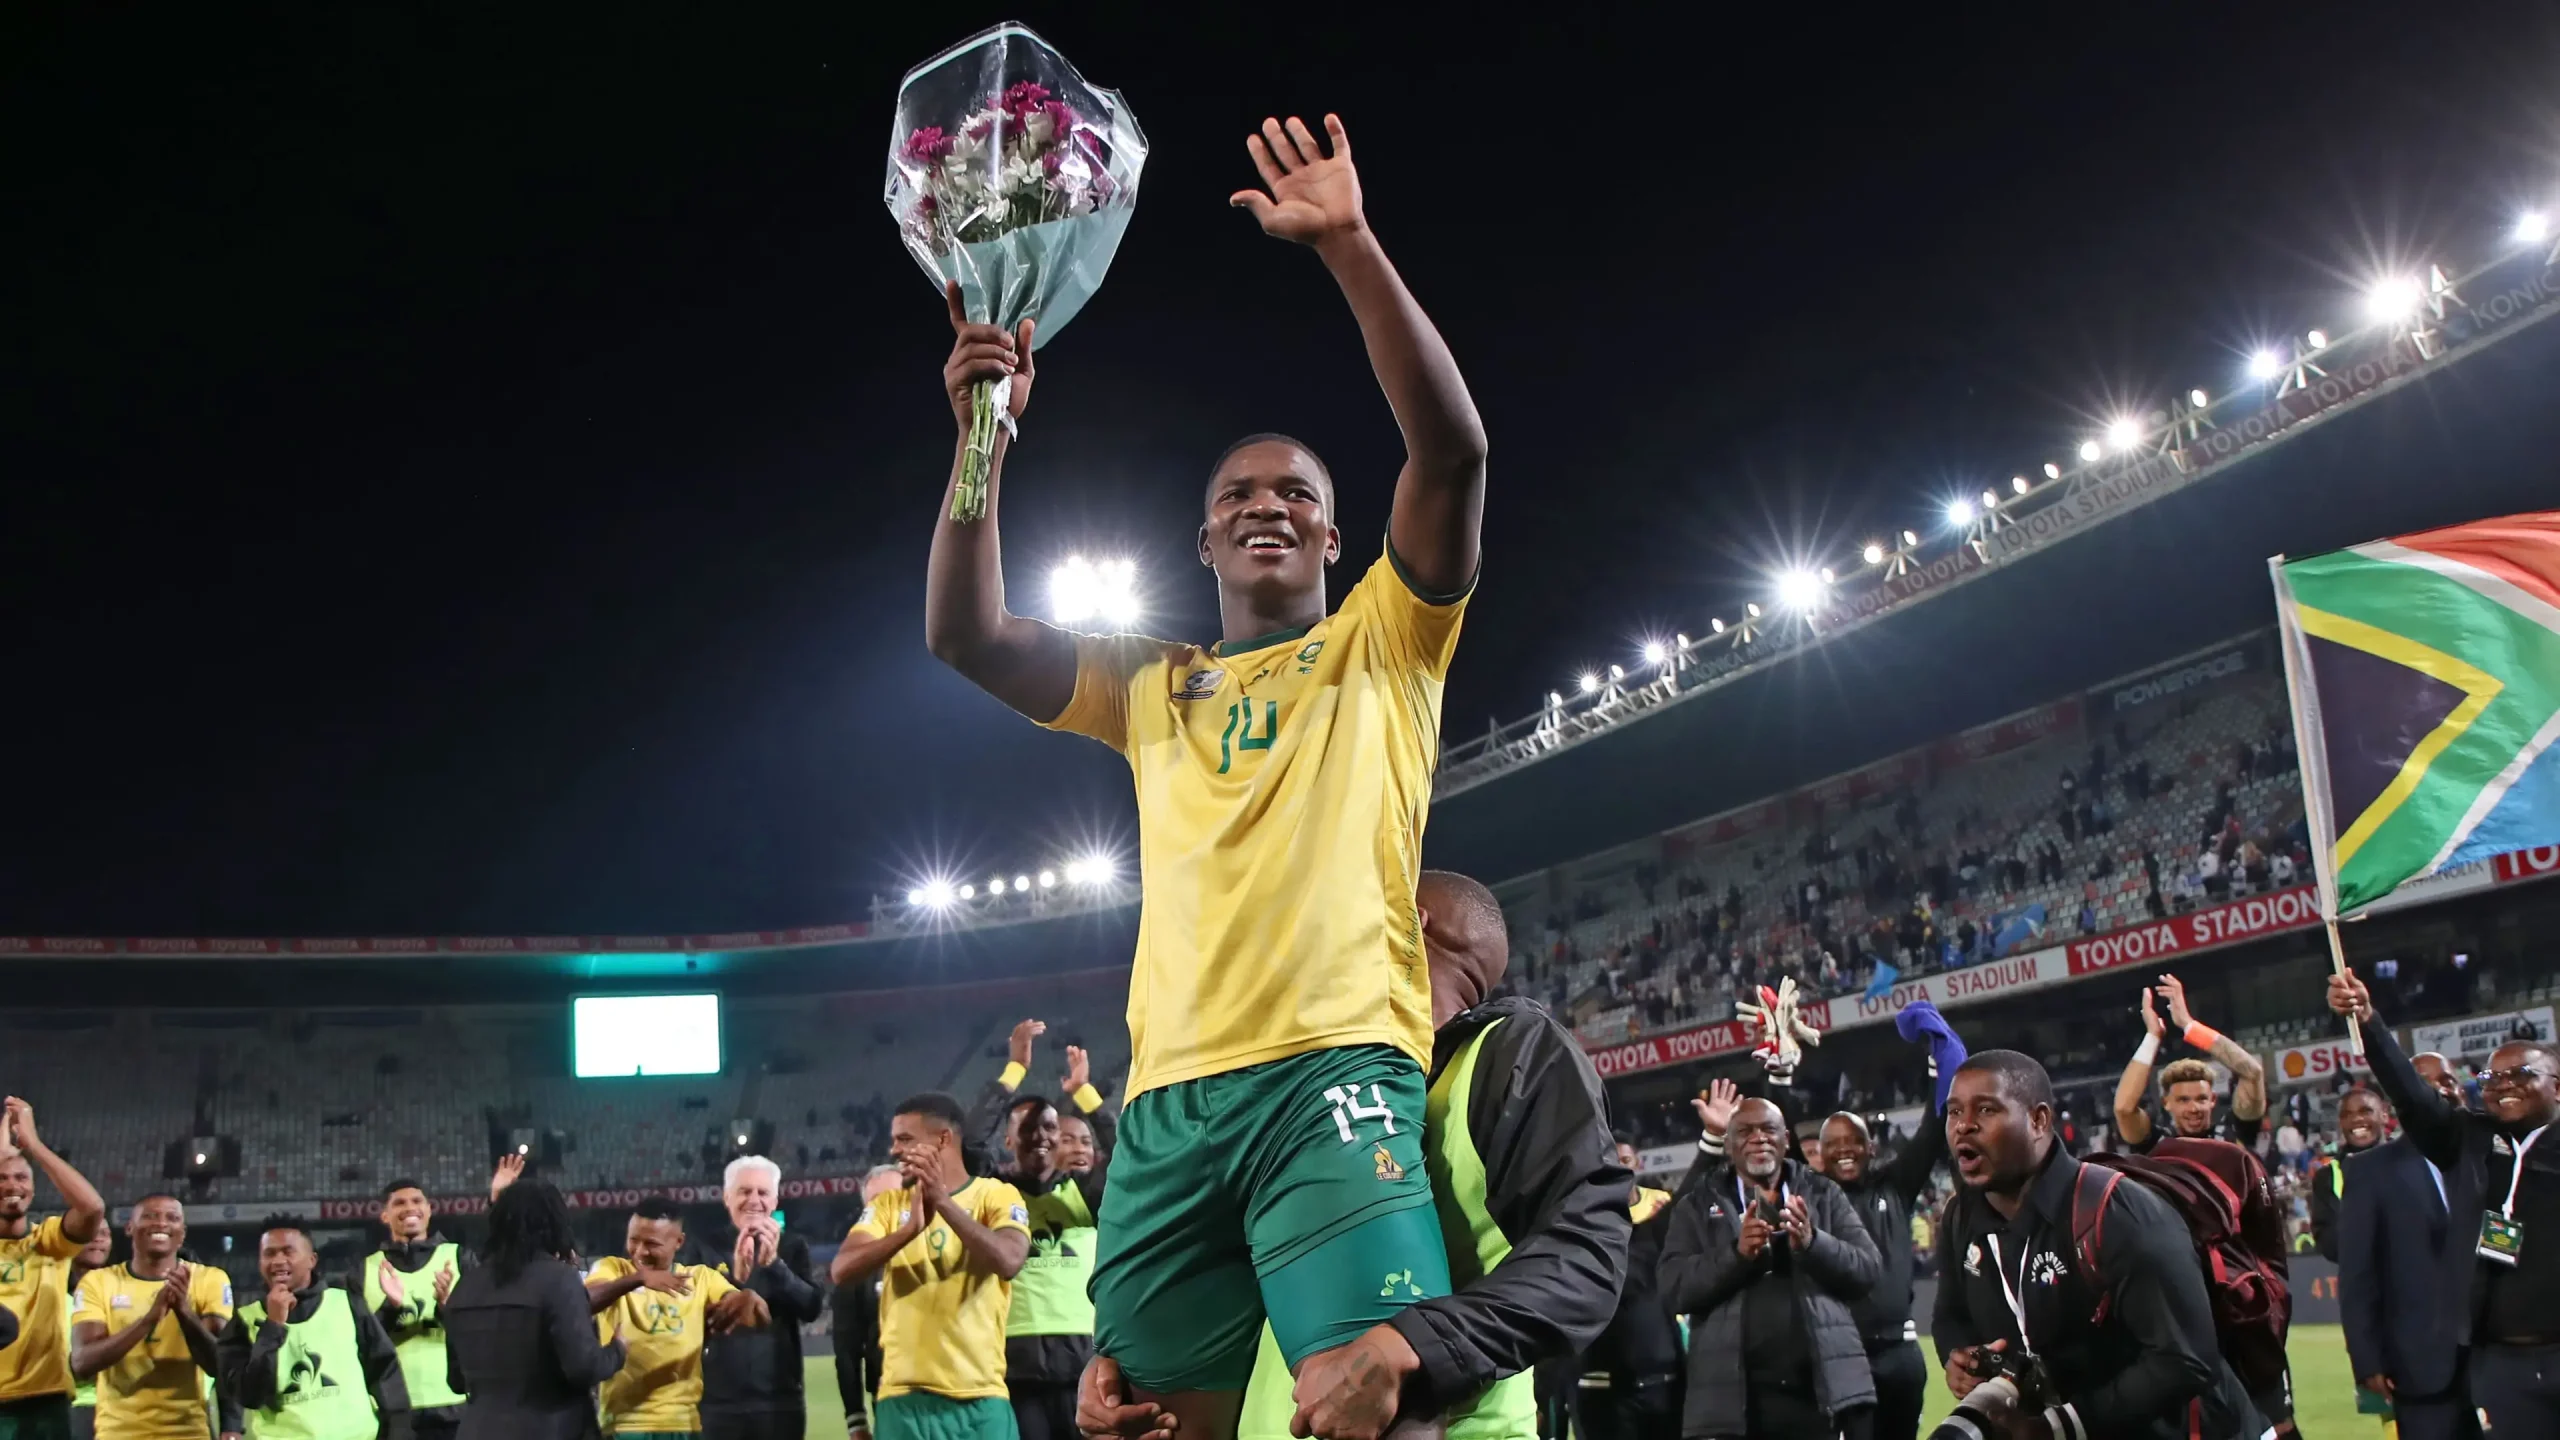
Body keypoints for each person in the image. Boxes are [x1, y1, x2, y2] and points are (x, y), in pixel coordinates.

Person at [922, 107, 1486, 1440]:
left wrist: (1348, 244)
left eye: (1295, 492)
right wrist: (981, 438)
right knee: (1146, 1428)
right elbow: (966, 634)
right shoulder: (1150, 685)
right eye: (1238, 494)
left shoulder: (1386, 646)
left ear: (1340, 537)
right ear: (1205, 543)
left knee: (1368, 1414)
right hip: (1166, 1108)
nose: (1266, 503)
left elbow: (1453, 451)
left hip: (1332, 1074)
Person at [1088, 868, 1631, 1440]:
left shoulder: (1510, 1052)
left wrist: (1407, 1345)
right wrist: (1136, 1368)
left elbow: (1587, 1254)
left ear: (1409, 918)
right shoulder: (1302, 1078)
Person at [1934, 1051, 2263, 1440]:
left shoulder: (2116, 1211)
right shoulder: (1960, 1218)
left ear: (2039, 1120)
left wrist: (2060, 1425)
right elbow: (1950, 1316)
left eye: (1986, 1110)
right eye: (1954, 1112)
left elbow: (2185, 1359)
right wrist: (1959, 1357)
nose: (1964, 1126)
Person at [2331, 968, 2560, 1439]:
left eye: (2520, 1073)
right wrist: (2369, 1021)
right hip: (2502, 1363)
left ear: (2556, 1086)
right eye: (2492, 1076)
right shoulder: (2472, 1139)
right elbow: (2412, 1097)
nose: (2502, 1084)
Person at [1660, 1097, 1880, 1440]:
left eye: (1768, 1129)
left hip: (1820, 1399)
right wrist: (1738, 1255)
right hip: (1733, 1407)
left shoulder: (1823, 1193)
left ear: (1786, 1140)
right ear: (1729, 1145)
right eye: (1745, 1131)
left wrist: (1812, 1243)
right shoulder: (1697, 1205)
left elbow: (1867, 1270)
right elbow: (1673, 1289)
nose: (1759, 1137)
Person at [830, 1094, 1030, 1440]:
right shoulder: (891, 1205)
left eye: (905, 1139)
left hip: (981, 1398)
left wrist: (942, 1203)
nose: (894, 1150)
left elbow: (1009, 1260)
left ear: (943, 1139)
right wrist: (908, 1232)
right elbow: (842, 1269)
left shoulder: (995, 1195)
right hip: (904, 1399)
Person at [968, 1031, 1116, 1440]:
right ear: (1009, 1139)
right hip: (1015, 1360)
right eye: (1028, 1127)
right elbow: (968, 1144)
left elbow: (1127, 1153)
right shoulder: (993, 1190)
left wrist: (1085, 1094)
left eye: (1050, 1127)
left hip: (1082, 1357)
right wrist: (1014, 1070)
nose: (1041, 1135)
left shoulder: (1082, 1192)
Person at [2334, 1069, 2475, 1440]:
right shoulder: (2370, 1170)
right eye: (2425, 1081)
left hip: (2498, 1361)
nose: (2441, 1088)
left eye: (2447, 1079)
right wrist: (2367, 1361)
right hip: (2419, 1367)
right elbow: (2357, 1276)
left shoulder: (2492, 1158)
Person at [439, 1181, 626, 1440]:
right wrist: (618, 1350)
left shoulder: (465, 1285)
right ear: (555, 1224)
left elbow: (456, 1381)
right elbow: (584, 1368)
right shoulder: (559, 1280)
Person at [586, 1197, 771, 1440]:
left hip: (684, 1424)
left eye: (651, 1244)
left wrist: (749, 1298)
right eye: (633, 1240)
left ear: (678, 1242)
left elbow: (760, 1317)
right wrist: (637, 1279)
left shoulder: (701, 1279)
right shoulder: (613, 1270)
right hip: (624, 1425)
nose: (640, 1251)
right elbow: (584, 1301)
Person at [214, 1224, 409, 1440]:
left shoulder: (347, 1304)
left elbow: (385, 1374)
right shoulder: (243, 1322)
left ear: (312, 1260)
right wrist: (273, 1326)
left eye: (288, 1251)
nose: (278, 1260)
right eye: (269, 1253)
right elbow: (250, 1396)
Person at [680, 1157, 826, 1440]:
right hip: (717, 1404)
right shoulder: (704, 1248)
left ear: (775, 1200)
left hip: (779, 1402)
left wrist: (774, 1265)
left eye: (762, 1192)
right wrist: (735, 1280)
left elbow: (811, 1307)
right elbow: (690, 1315)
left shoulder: (793, 1246)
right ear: (726, 1197)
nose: (754, 1200)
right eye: (744, 1191)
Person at [366, 1161, 514, 1440]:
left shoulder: (460, 1258)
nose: (409, 1207)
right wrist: (390, 1308)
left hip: (457, 1405)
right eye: (399, 1203)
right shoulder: (363, 1271)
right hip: (393, 1410)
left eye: (417, 1200)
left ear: (429, 1210)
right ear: (384, 1215)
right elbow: (360, 1347)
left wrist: (449, 1307)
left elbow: (485, 1323)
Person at [69, 1195, 235, 1440]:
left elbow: (219, 1365)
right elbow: (82, 1363)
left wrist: (183, 1310)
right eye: (150, 1216)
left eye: (172, 1218)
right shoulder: (99, 1282)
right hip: (118, 1433)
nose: (161, 1223)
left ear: (183, 1232)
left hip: (187, 1432)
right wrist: (148, 1320)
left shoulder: (210, 1279)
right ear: (129, 1227)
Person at [0, 1097, 107, 1440]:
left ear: (33, 1187)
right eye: (1, 1178)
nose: (12, 1185)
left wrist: (34, 1146)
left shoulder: (47, 1240)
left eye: (20, 1177)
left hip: (43, 1399)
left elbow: (91, 1208)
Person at [1573, 1137, 1681, 1440]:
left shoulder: (1659, 1213)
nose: (1618, 1168)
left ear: (1637, 1164)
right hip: (1601, 1384)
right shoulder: (1582, 1225)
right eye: (1610, 1161)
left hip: (1662, 1378)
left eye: (1625, 1160)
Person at [2111, 975, 2267, 1152]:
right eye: (2183, 1100)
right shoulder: (2157, 1143)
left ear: (2213, 1100)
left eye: (2201, 1099)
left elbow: (2253, 1072)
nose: (2194, 1108)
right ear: (2166, 1102)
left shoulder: (2233, 1135)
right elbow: (2123, 1109)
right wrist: (2152, 1037)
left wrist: (2189, 1025)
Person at [831, 1169, 905, 1440]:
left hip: (953, 1391)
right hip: (889, 1398)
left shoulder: (939, 1246)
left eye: (894, 1197)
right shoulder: (854, 1269)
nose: (886, 1206)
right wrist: (856, 1420)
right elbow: (847, 1351)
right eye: (876, 1201)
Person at [2310, 1086, 2391, 1262]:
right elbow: (2329, 1245)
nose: (2356, 1119)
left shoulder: (2410, 1160)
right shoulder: (2326, 1177)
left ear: (2384, 1115)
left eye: (2365, 1111)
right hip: (2363, 1284)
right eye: (2346, 1115)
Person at [67, 1228, 112, 1440]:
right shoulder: (51, 1295)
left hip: (124, 1410)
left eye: (105, 1233)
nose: (99, 1238)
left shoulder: (123, 1294)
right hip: (77, 1407)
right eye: (91, 1232)